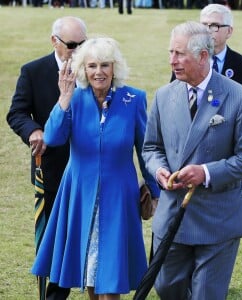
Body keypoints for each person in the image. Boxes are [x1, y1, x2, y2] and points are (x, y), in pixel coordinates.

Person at [31, 36, 160, 300]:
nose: (98, 72)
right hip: (80, 193)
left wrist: (155, 190)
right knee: (90, 267)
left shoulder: (134, 99)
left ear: (115, 68)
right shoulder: (73, 99)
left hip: (118, 195)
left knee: (111, 271)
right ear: (83, 70)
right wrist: (64, 99)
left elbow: (144, 148)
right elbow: (53, 138)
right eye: (91, 66)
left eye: (104, 65)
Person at [142, 21, 242, 299]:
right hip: (172, 216)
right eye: (171, 52)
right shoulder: (163, 96)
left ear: (203, 56)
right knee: (166, 287)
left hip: (217, 219)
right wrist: (159, 169)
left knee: (207, 293)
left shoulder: (239, 97)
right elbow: (151, 147)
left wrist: (205, 173)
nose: (172, 60)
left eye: (180, 54)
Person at [6, 16, 87, 299]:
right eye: (72, 44)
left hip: (88, 170)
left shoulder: (94, 69)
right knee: (53, 241)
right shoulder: (33, 71)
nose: (78, 50)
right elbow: (16, 113)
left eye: (83, 43)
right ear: (55, 41)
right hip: (51, 170)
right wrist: (33, 131)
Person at [170, 4, 242, 124]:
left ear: (229, 31)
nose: (207, 31)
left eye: (214, 26)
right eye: (203, 26)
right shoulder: (185, 61)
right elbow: (171, 103)